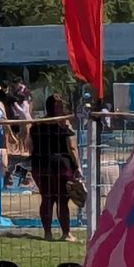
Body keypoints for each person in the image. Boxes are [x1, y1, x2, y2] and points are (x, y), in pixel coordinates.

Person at [28, 93, 81, 240]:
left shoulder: (37, 125)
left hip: (41, 164)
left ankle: (48, 233)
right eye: (60, 106)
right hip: (61, 165)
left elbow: (30, 146)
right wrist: (77, 166)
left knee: (47, 198)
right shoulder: (63, 124)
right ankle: (66, 233)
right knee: (62, 199)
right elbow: (72, 148)